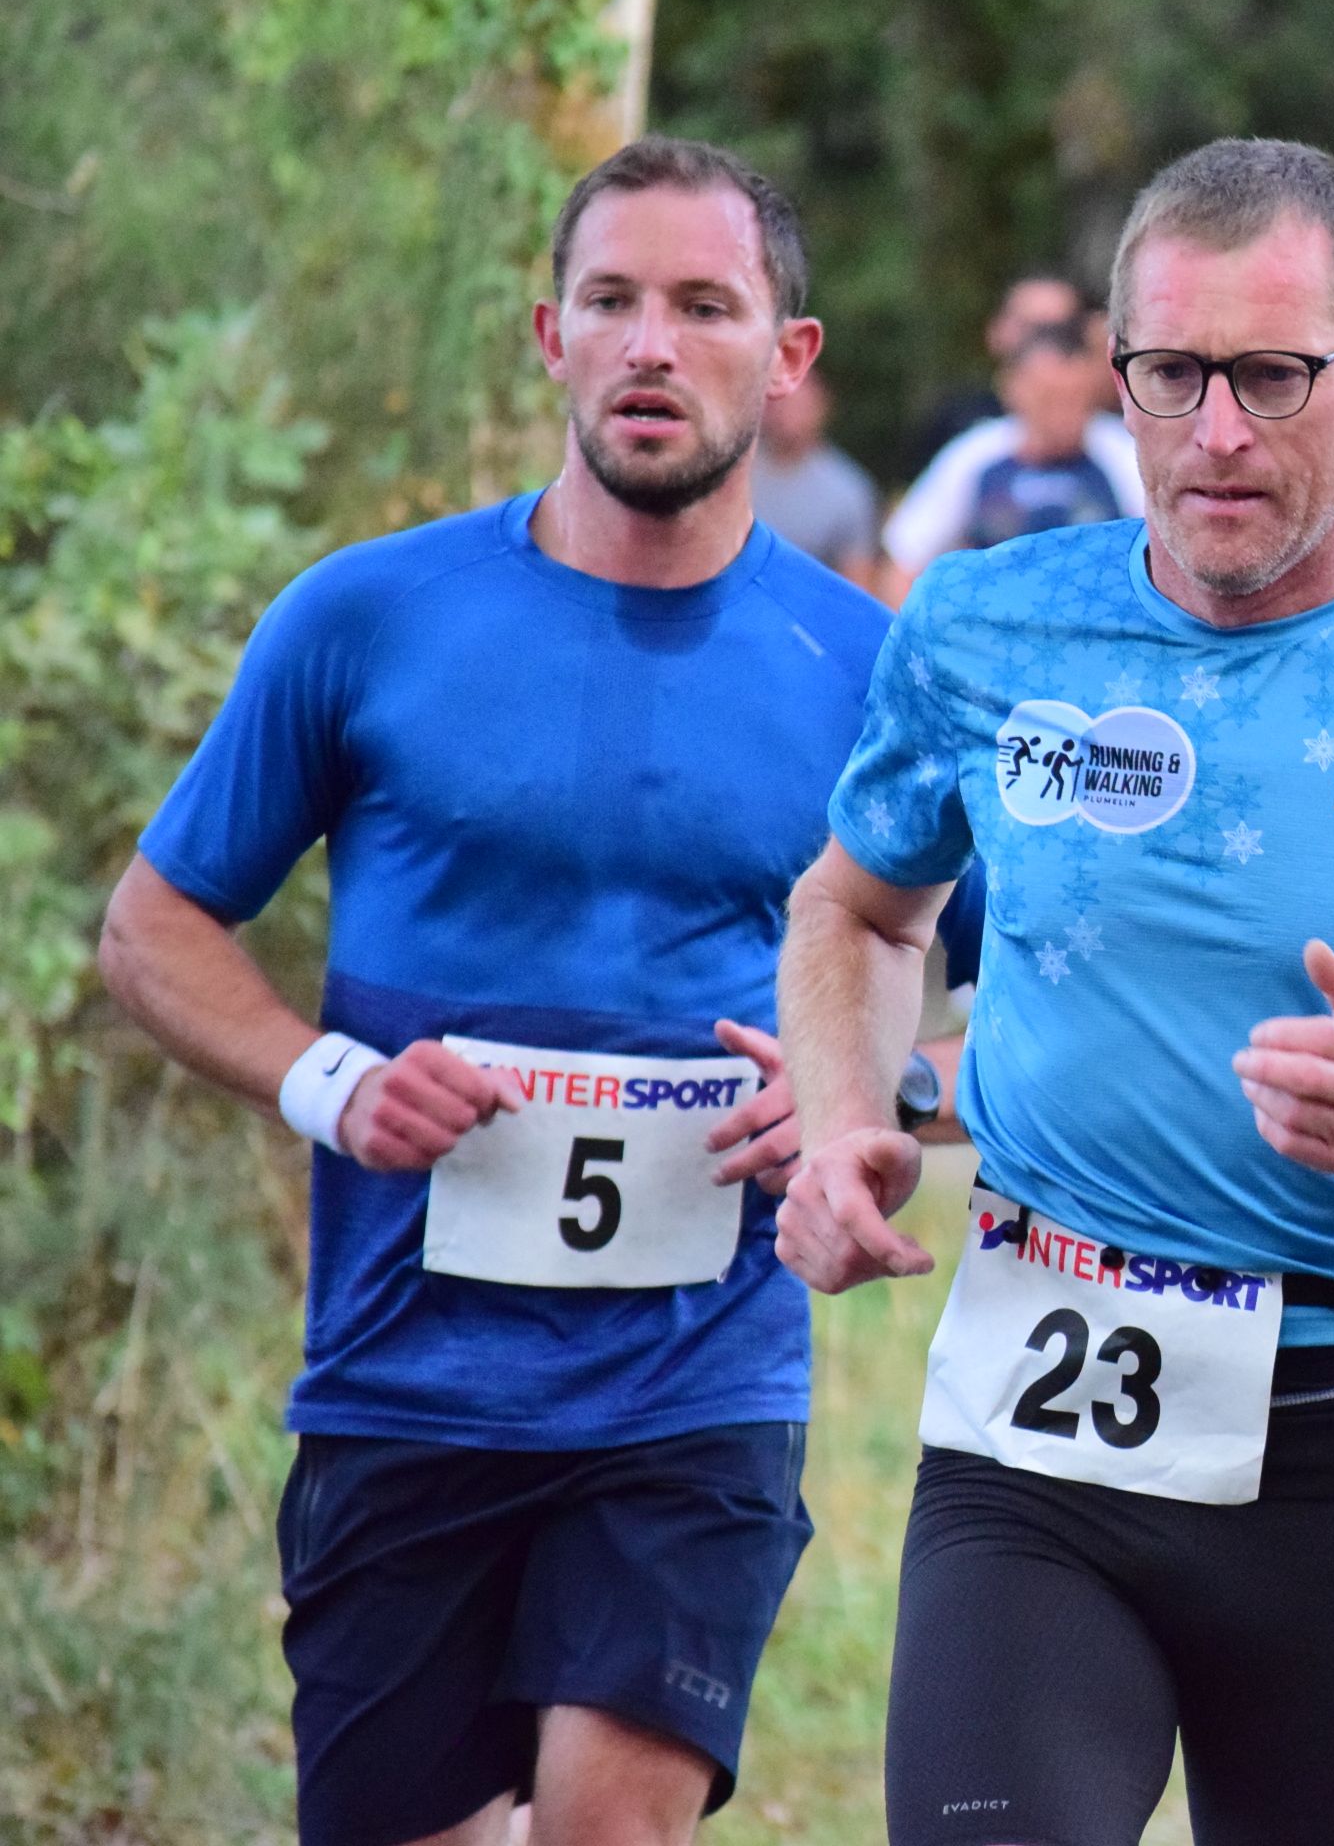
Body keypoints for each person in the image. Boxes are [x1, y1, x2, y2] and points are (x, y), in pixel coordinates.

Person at [771, 135, 1334, 1846]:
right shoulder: (985, 622)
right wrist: (838, 1123)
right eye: (1171, 374)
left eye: (1272, 376)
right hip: (1036, 1440)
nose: (1217, 433)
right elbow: (860, 914)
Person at [95, 138, 894, 1846]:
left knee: (610, 1826)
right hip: (407, 1379)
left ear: (790, 355)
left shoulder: (864, 668)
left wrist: (845, 1098)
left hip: (696, 1384)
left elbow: (957, 962)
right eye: (611, 301)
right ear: (550, 336)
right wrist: (333, 1085)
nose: (651, 346)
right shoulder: (368, 617)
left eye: (705, 306)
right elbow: (154, 926)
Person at [881, 317, 1145, 600]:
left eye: (1075, 399)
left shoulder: (1122, 454)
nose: (1063, 414)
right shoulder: (975, 455)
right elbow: (904, 561)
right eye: (1049, 398)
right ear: (1012, 389)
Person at [901, 272, 1088, 474]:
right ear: (996, 331)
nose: (1045, 341)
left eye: (1061, 330)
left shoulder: (1108, 441)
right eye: (1031, 327)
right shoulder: (959, 428)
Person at [753, 365, 881, 585]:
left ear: (823, 407)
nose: (788, 414)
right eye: (782, 403)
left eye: (800, 405)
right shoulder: (731, 475)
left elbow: (857, 583)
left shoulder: (849, 492)